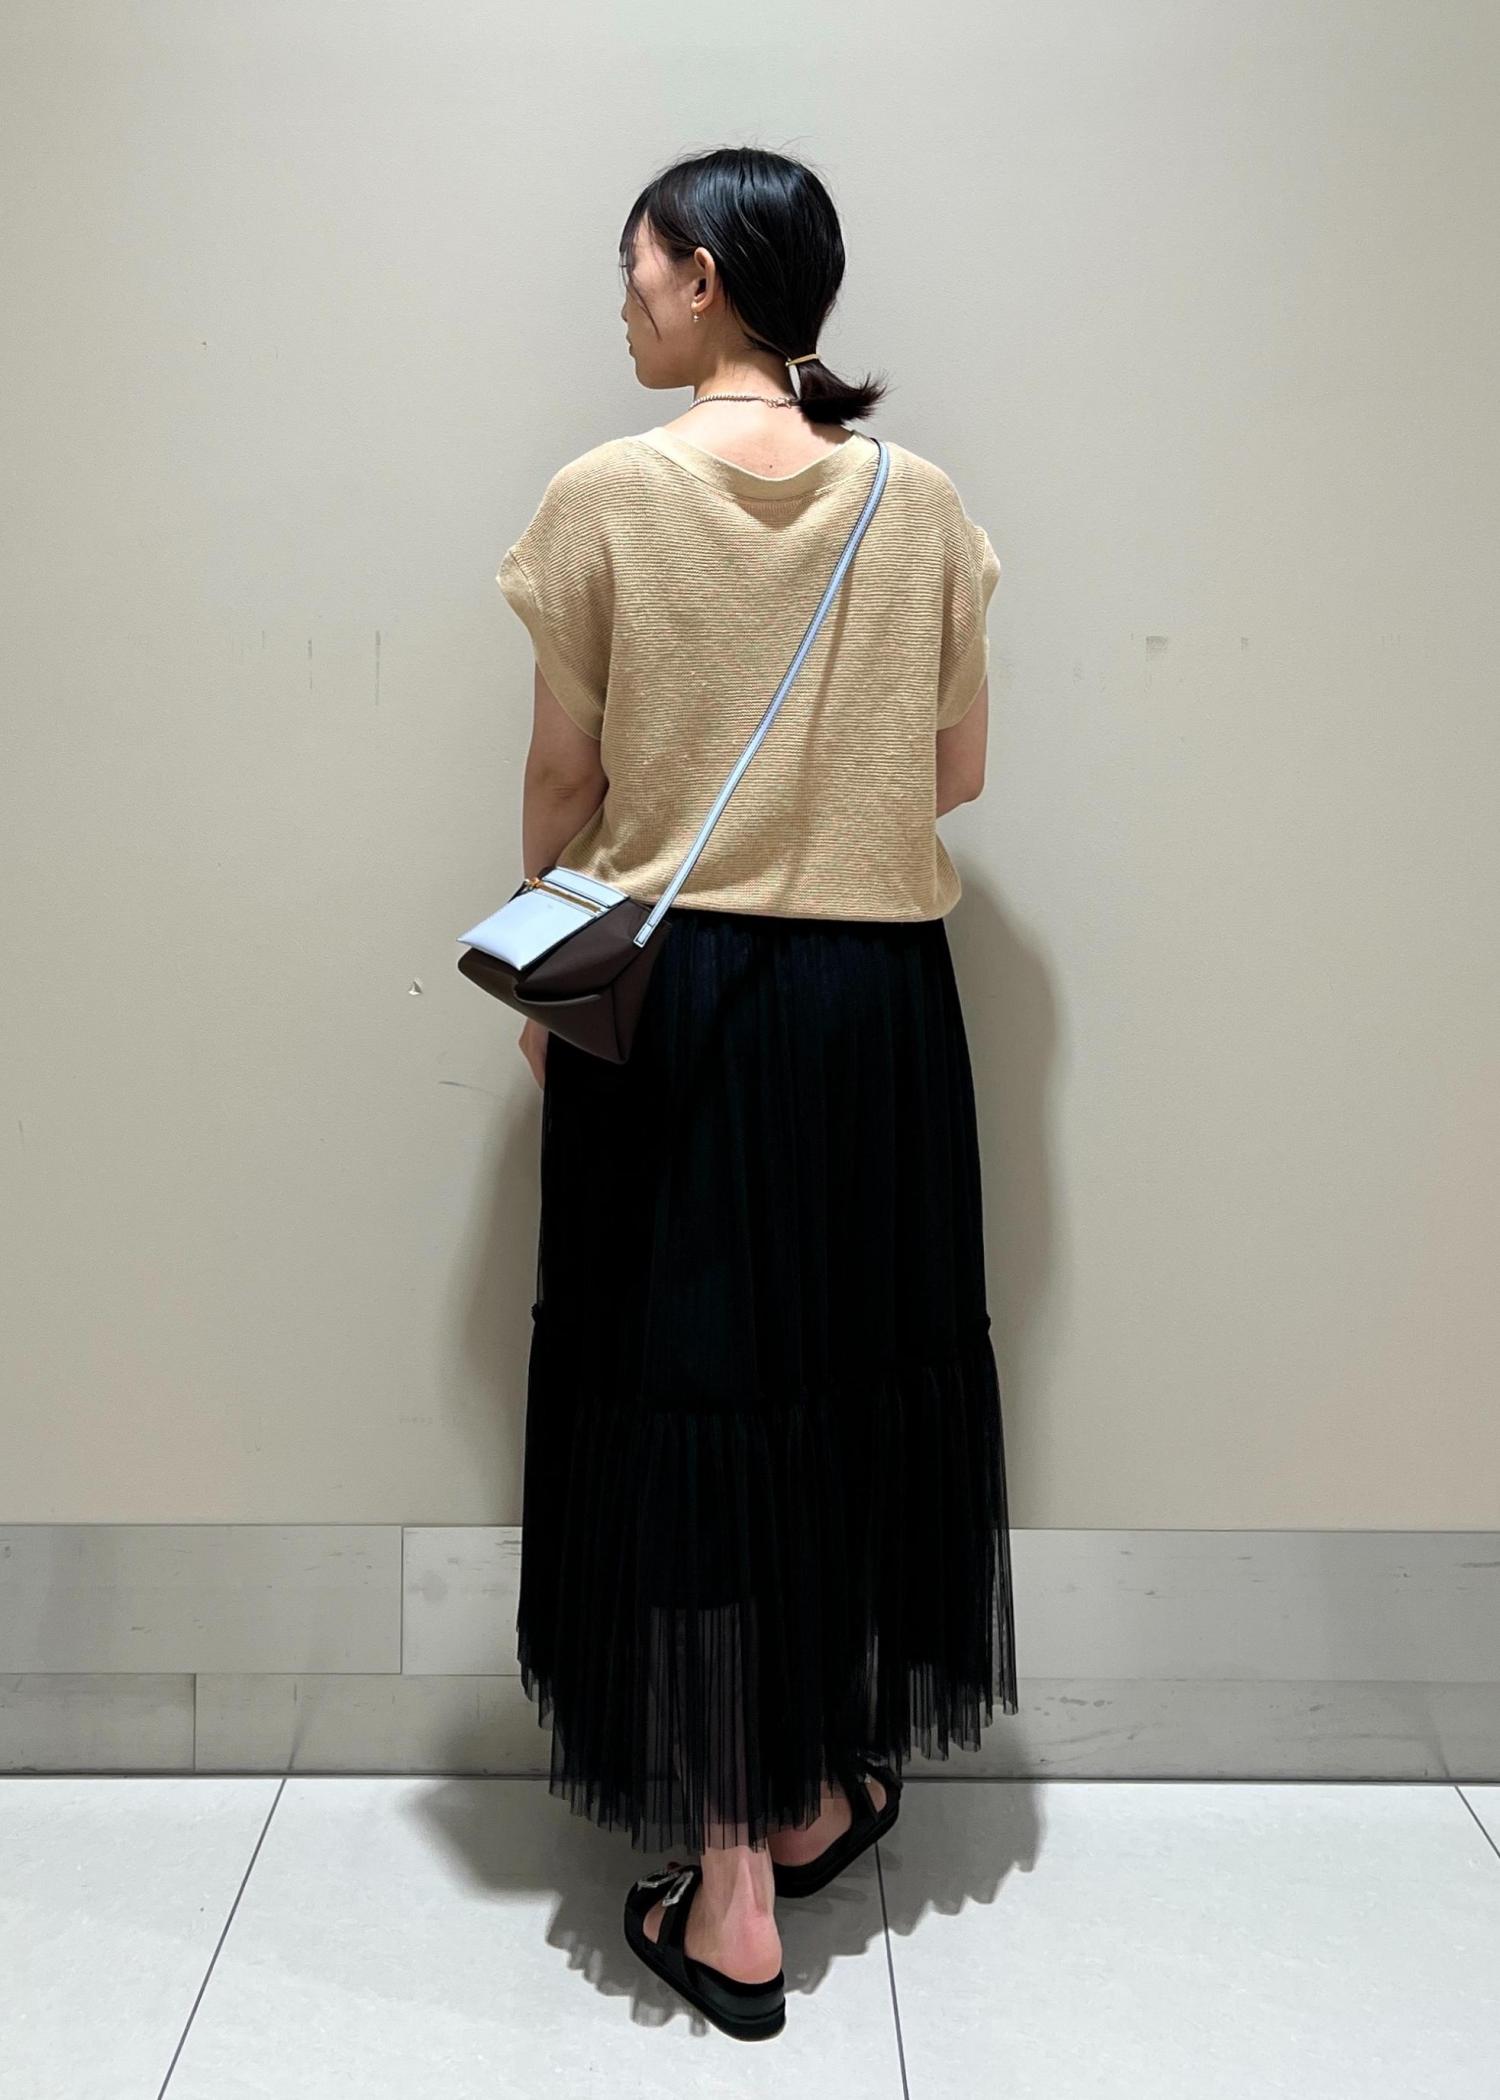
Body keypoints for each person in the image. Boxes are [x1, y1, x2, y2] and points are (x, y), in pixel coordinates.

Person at [495, 145, 1018, 2041]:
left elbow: (567, 782)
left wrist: (547, 962)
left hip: (683, 998)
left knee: (693, 1406)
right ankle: (803, 1793)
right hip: (876, 1010)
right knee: (831, 1392)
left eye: (636, 265)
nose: (624, 297)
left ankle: (728, 1893)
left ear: (705, 273)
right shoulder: (919, 500)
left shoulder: (607, 496)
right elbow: (954, 774)